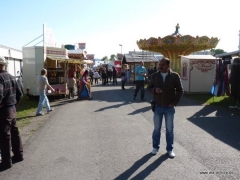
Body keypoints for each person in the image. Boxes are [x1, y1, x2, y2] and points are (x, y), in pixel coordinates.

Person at [147, 57, 183, 158]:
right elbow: (148, 88)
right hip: (158, 106)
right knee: (157, 129)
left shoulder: (175, 76)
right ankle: (155, 147)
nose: (160, 66)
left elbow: (180, 91)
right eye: (159, 64)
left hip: (169, 107)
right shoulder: (154, 76)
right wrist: (154, 90)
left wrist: (175, 102)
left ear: (168, 66)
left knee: (169, 130)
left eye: (162, 65)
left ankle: (170, 149)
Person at [0, 56, 23, 170]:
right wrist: (14, 104)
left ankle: (6, 162)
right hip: (12, 109)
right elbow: (20, 94)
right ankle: (19, 155)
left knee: (5, 136)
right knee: (14, 132)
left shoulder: (0, 78)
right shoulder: (11, 77)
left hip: (4, 110)